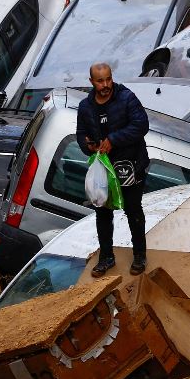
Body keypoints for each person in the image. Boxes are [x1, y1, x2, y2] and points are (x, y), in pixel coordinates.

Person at [76, 62, 150, 277]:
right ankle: (106, 257)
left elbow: (141, 125)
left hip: (130, 166)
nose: (106, 84)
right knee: (103, 213)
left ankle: (139, 255)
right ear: (91, 82)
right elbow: (81, 134)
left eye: (108, 79)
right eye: (100, 81)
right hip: (104, 170)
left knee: (133, 211)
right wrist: (87, 145)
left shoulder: (126, 98)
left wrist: (113, 140)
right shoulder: (85, 106)